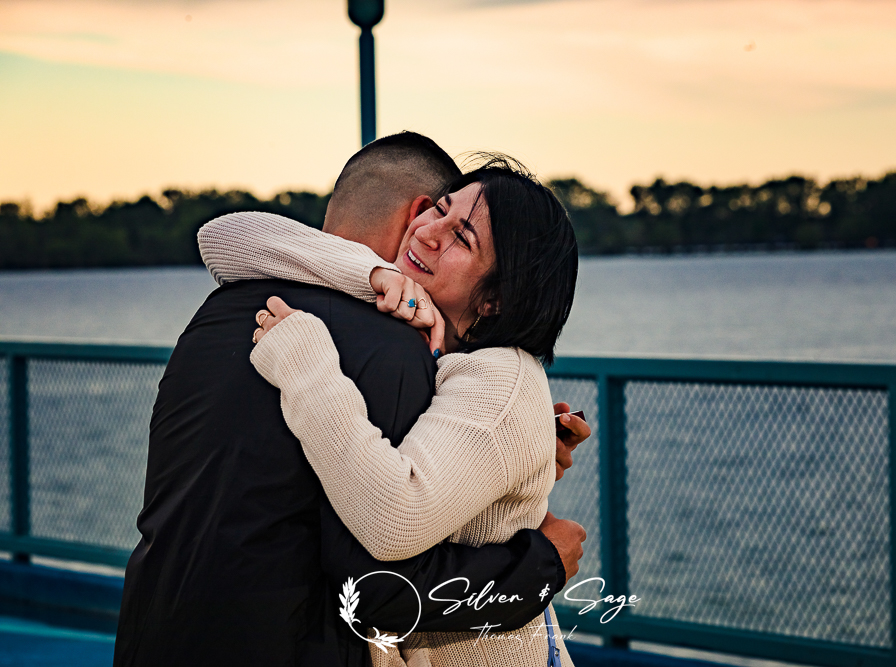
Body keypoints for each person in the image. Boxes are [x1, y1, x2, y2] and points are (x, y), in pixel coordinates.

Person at [114, 133, 588, 667]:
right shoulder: (401, 348)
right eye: (439, 209)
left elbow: (394, 535)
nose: (430, 230)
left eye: (461, 236)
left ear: (498, 296)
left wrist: (308, 368)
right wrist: (540, 558)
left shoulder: (220, 313)